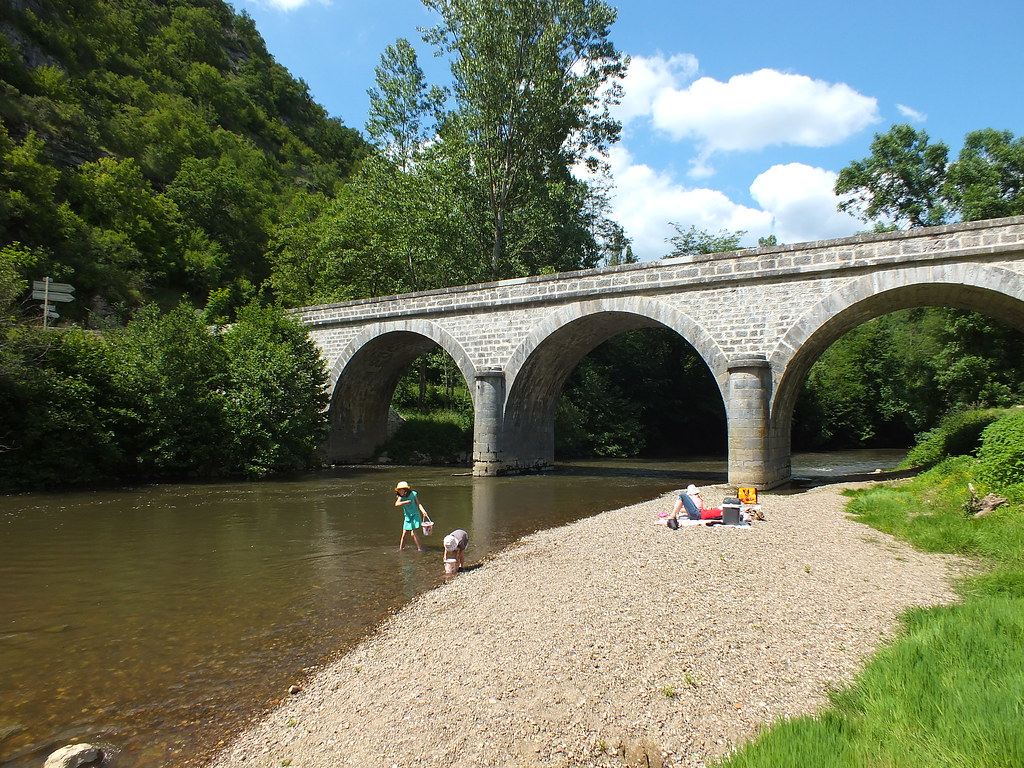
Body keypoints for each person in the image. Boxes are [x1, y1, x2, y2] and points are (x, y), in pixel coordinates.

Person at [394, 481, 428, 551]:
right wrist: (406, 502)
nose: (399, 491)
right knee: (404, 534)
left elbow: (419, 504)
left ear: (405, 490)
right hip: (407, 517)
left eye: (401, 490)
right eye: (399, 490)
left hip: (415, 516)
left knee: (413, 534)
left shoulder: (413, 494)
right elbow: (396, 504)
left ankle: (420, 549)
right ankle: (401, 549)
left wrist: (423, 511)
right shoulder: (400, 497)